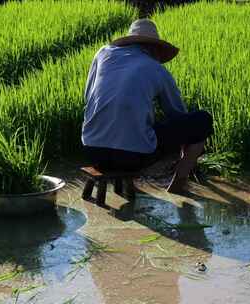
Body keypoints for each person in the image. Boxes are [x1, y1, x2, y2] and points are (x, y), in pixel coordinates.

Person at [81, 19, 213, 193]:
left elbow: (88, 96)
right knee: (202, 121)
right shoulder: (156, 69)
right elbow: (177, 114)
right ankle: (178, 184)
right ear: (154, 48)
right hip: (131, 157)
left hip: (92, 150)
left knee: (133, 130)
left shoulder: (102, 53)